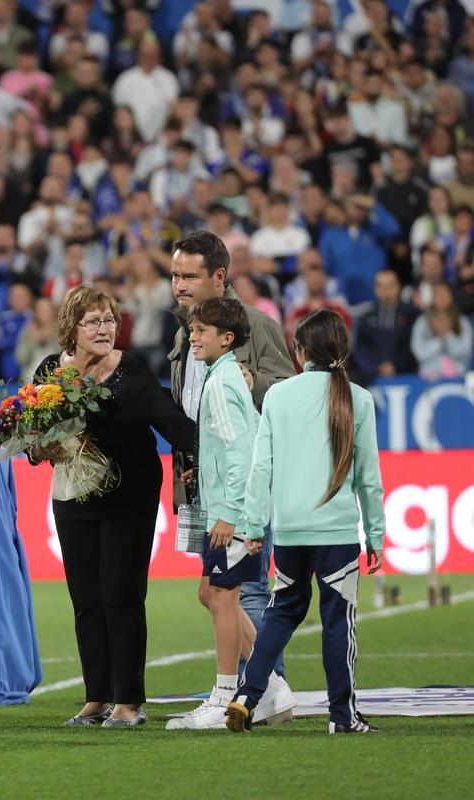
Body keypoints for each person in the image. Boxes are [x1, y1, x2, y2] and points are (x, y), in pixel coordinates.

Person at [35, 286, 197, 728]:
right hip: (73, 496)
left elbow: (174, 423)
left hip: (130, 497)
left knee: (120, 594)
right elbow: (33, 441)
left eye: (109, 320)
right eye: (94, 321)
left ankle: (129, 702)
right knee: (86, 598)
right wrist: (39, 445)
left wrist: (207, 460)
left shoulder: (132, 373)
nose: (105, 328)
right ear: (72, 328)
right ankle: (96, 696)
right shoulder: (50, 372)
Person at [226, 309, 386, 735]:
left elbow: (261, 468)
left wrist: (254, 526)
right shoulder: (359, 399)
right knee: (338, 622)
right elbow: (369, 478)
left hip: (291, 530)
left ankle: (247, 694)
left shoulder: (278, 396)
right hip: (335, 533)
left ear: (300, 352)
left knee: (282, 613)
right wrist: (375, 534)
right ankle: (342, 717)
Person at [167, 230, 297, 722]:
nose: (178, 284)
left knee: (239, 589)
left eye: (189, 276)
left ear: (219, 277)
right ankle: (267, 685)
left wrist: (254, 380)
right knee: (213, 590)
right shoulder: (186, 333)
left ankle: (250, 691)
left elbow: (288, 389)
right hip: (202, 479)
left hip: (238, 486)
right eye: (175, 275)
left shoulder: (255, 326)